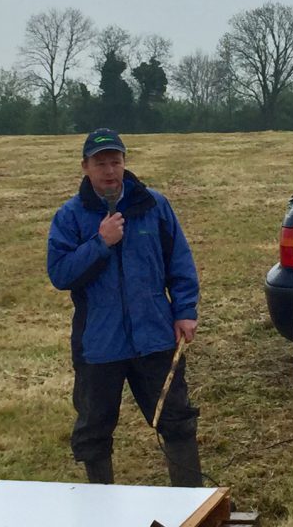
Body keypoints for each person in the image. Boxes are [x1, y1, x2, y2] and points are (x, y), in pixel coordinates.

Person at [47, 128, 202, 486]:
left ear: (124, 163)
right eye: (100, 163)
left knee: (176, 419)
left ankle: (193, 504)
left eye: (115, 161)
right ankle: (102, 508)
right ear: (85, 167)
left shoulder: (153, 206)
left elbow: (179, 261)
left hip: (156, 337)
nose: (109, 170)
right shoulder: (69, 217)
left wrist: (184, 310)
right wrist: (100, 242)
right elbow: (60, 273)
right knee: (94, 430)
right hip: (99, 346)